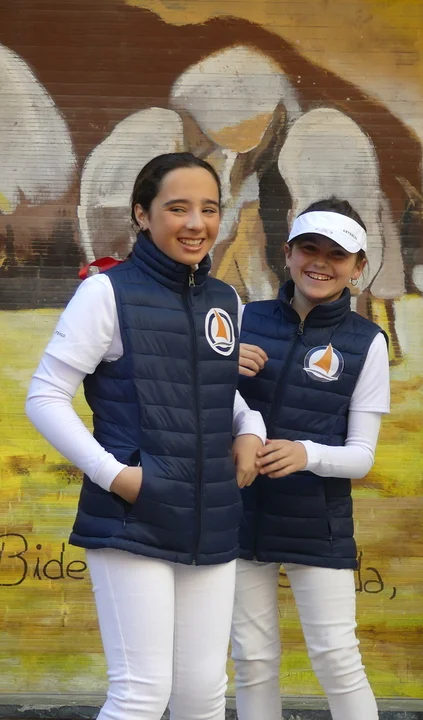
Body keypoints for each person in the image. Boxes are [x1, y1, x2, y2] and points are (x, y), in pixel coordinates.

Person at [24, 152, 266, 720]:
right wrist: (117, 477)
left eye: (209, 209)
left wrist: (250, 428)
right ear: (142, 214)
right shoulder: (106, 293)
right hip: (133, 515)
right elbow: (45, 396)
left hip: (212, 517)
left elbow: (214, 389)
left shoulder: (224, 300)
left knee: (202, 696)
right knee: (142, 694)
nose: (196, 223)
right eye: (177, 208)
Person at [230, 198, 389, 720]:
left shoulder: (367, 342)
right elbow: (203, 407)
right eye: (309, 249)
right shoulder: (242, 319)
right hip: (239, 516)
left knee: (338, 661)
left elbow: (361, 457)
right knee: (252, 661)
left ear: (358, 267)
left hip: (317, 523)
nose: (320, 263)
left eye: (337, 255)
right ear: (287, 253)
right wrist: (219, 369)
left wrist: (306, 455)